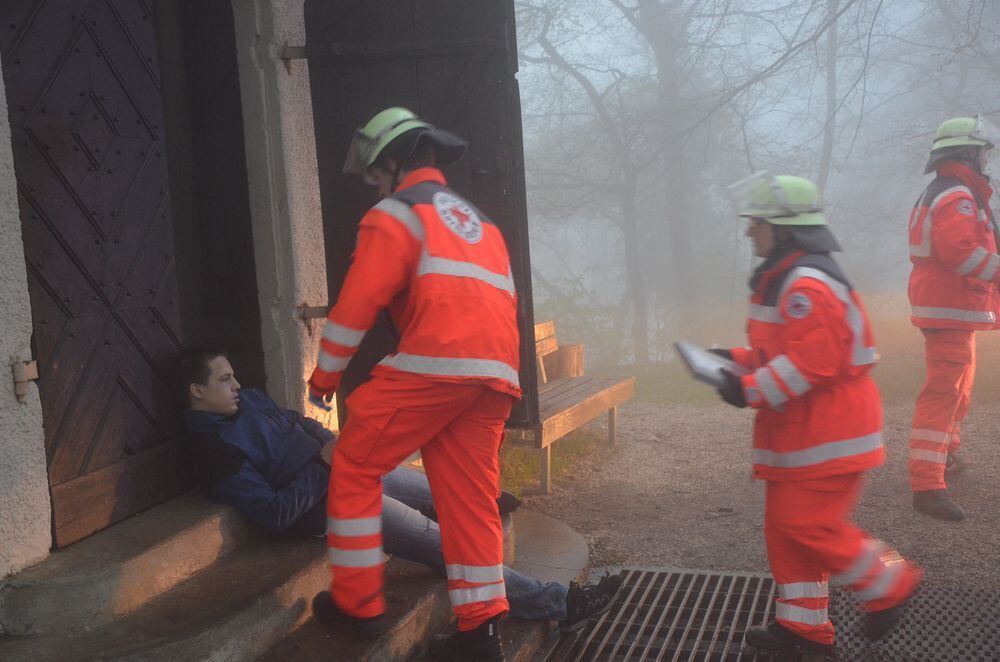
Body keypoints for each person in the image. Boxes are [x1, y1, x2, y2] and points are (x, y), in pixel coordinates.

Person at [174, 348, 624, 634]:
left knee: (447, 491)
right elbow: (274, 514)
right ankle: (560, 603)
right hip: (326, 505)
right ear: (196, 391)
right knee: (441, 542)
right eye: (224, 380)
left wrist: (330, 443)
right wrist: (323, 463)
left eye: (233, 376)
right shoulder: (217, 451)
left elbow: (298, 422)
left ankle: (482, 506)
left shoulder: (249, 400)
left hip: (344, 468)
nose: (237, 385)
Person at [306, 106, 529, 661]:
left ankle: (358, 603)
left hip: (437, 365)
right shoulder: (481, 224)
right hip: (495, 375)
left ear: (394, 163)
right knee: (470, 502)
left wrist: (325, 376)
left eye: (374, 175)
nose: (372, 187)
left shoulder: (397, 215)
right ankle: (481, 636)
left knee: (353, 465)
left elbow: (357, 305)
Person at [714, 173, 923, 657]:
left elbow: (815, 360)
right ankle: (803, 629)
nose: (750, 232)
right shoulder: (793, 277)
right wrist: (733, 360)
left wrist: (747, 388)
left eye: (758, 223)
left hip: (826, 435)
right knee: (786, 529)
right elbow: (784, 351)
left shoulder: (806, 283)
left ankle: (891, 584)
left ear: (784, 228)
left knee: (808, 526)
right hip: (807, 436)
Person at [906, 114, 999, 521]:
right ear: (968, 152)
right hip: (951, 307)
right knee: (943, 395)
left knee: (958, 389)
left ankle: (947, 455)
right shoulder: (957, 195)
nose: (986, 157)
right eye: (982, 150)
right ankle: (927, 486)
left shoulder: (948, 191)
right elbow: (961, 253)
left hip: (952, 308)